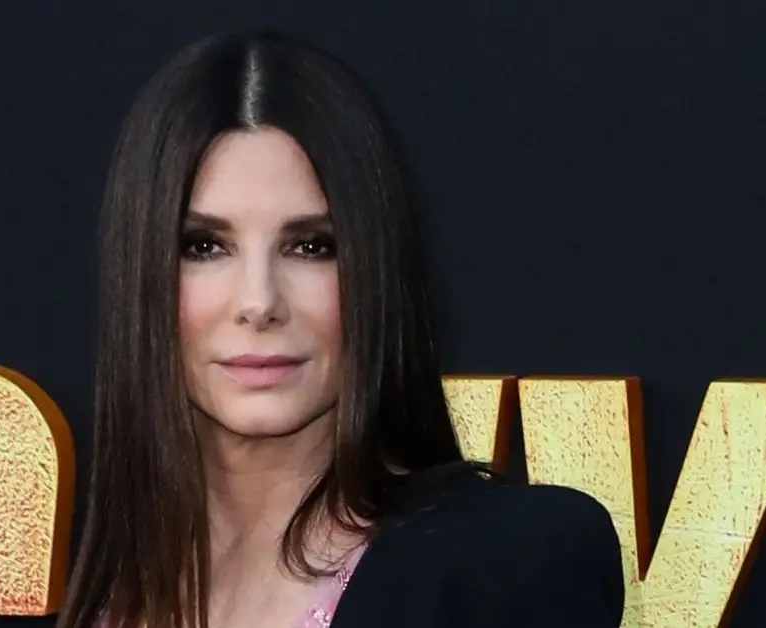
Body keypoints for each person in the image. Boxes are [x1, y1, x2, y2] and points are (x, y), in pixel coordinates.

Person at [57, 31, 624, 628]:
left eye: (311, 246)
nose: (258, 302)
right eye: (203, 246)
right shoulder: (107, 584)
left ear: (376, 271)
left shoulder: (508, 568)